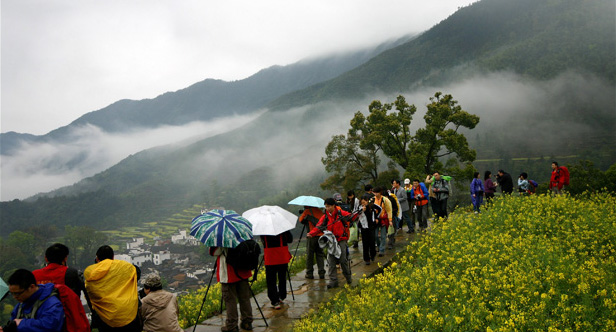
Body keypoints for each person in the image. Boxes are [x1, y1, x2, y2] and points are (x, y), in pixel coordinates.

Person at [84, 245, 141, 332]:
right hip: (128, 315)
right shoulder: (125, 268)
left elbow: (90, 293)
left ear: (97, 259)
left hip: (105, 319)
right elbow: (137, 272)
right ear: (113, 257)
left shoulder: (92, 276)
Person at [307, 197, 353, 288]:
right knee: (331, 261)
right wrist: (311, 233)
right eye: (326, 207)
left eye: (328, 206)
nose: (327, 208)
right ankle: (333, 281)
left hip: (341, 239)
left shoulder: (341, 213)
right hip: (331, 241)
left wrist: (359, 212)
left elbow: (351, 217)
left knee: (343, 260)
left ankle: (348, 277)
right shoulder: (325, 216)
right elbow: (319, 226)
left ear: (333, 206)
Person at [210, 245, 253, 332]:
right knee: (244, 298)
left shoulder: (223, 239)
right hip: (243, 272)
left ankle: (231, 325)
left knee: (230, 300)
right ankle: (247, 322)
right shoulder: (243, 235)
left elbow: (214, 252)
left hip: (228, 274)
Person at [261, 230, 293, 309]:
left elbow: (263, 242)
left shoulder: (264, 230)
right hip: (282, 256)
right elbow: (290, 240)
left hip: (270, 256)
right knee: (282, 277)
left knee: (271, 280)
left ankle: (274, 300)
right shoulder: (282, 228)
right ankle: (282, 296)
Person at [298, 206, 325, 279]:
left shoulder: (307, 211)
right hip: (321, 236)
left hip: (311, 235)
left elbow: (300, 220)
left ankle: (309, 273)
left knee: (310, 255)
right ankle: (321, 272)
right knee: (320, 254)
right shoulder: (320, 211)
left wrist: (305, 214)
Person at [358, 194, 380, 265]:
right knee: (365, 243)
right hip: (363, 228)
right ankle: (366, 259)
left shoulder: (371, 206)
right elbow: (357, 216)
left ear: (367, 201)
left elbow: (379, 209)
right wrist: (362, 211)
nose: (363, 203)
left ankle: (373, 255)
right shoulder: (360, 208)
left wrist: (376, 217)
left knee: (372, 242)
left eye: (364, 202)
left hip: (371, 227)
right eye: (362, 202)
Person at [372, 187, 392, 257]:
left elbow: (389, 210)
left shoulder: (385, 200)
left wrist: (390, 220)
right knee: (376, 235)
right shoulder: (372, 199)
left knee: (383, 235)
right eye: (374, 193)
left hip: (383, 219)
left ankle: (381, 250)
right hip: (376, 219)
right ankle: (379, 245)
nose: (375, 194)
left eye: (377, 192)